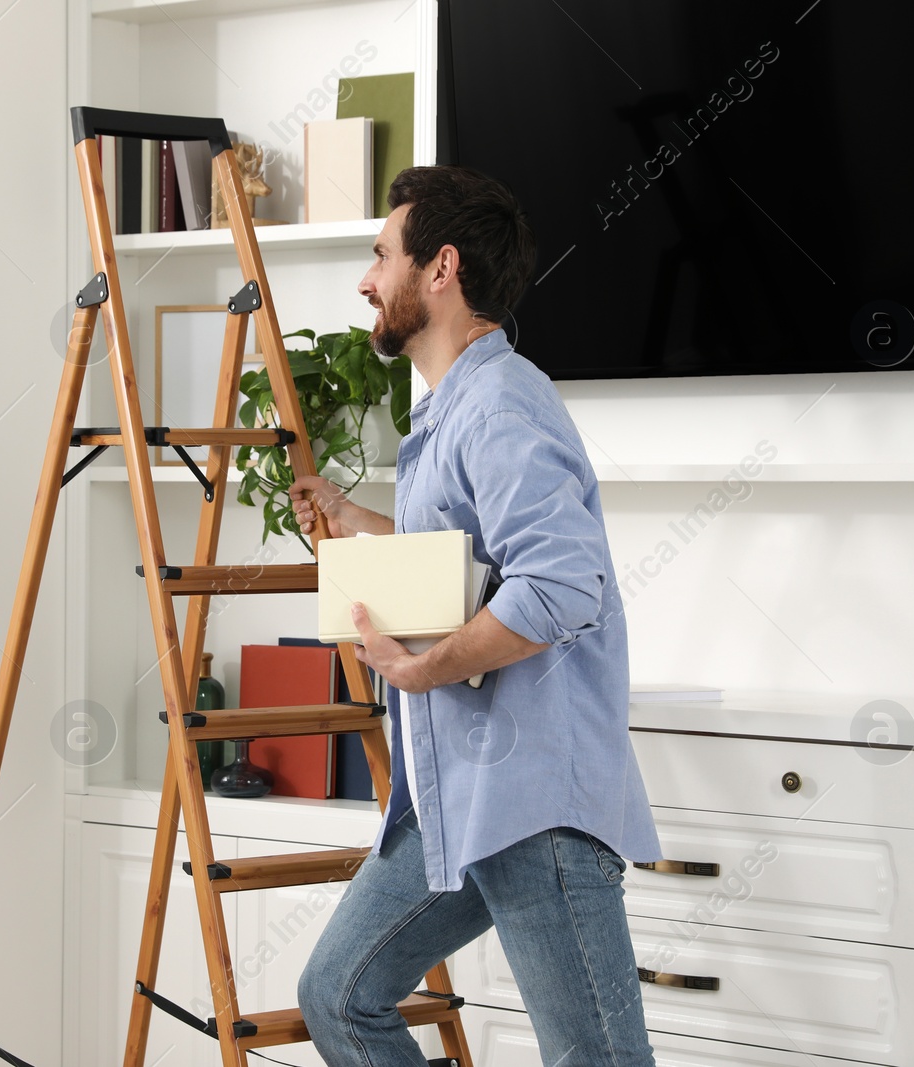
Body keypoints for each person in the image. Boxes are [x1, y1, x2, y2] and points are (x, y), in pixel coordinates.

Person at [288, 166, 661, 1067]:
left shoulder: (499, 401)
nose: (369, 280)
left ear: (440, 268)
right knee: (341, 995)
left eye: (382, 255)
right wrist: (362, 523)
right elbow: (473, 564)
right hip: (463, 798)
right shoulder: (454, 408)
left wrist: (422, 666)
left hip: (532, 804)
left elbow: (564, 584)